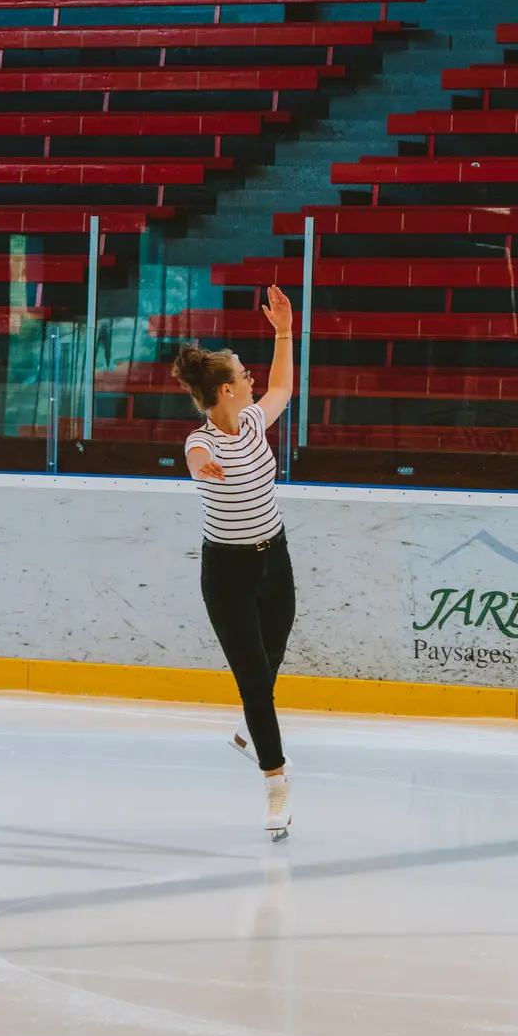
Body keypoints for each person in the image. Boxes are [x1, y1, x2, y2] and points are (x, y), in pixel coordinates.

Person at [174, 285, 296, 840]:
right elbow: (195, 457)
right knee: (254, 683)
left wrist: (284, 333)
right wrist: (204, 469)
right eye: (243, 376)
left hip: (276, 560)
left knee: (271, 657)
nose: (251, 381)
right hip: (227, 574)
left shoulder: (251, 424)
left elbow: (282, 386)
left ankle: (253, 726)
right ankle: (277, 787)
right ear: (225, 390)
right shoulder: (202, 442)